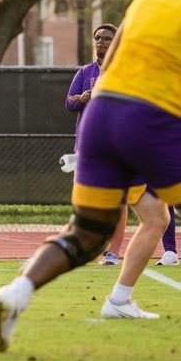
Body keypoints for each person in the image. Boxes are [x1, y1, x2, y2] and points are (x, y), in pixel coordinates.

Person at [0, 0, 181, 354]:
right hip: (152, 119)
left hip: (100, 115)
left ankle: (17, 292)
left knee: (87, 233)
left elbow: (112, 66)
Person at [65, 24, 126, 265]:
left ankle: (113, 251)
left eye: (107, 38)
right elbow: (69, 103)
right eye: (98, 37)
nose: (101, 41)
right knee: (84, 199)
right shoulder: (84, 72)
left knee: (118, 201)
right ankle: (86, 245)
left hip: (116, 146)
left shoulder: (124, 71)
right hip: (87, 146)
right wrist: (82, 98)